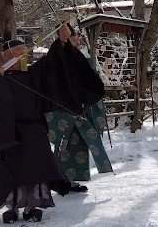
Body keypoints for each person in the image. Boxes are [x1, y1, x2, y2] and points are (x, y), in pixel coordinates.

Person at [0, 24, 105, 224]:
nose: (22, 55)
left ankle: (32, 207)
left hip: (35, 131)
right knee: (13, 171)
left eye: (24, 52)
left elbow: (53, 62)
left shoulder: (34, 74)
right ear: (7, 56)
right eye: (17, 52)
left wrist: (62, 41)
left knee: (38, 171)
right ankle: (12, 208)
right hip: (13, 135)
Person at [46, 25, 113, 192]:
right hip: (63, 111)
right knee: (63, 146)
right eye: (72, 41)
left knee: (79, 145)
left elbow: (93, 85)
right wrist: (62, 42)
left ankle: (72, 180)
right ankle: (59, 180)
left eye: (77, 42)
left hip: (83, 109)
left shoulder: (84, 61)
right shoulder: (56, 60)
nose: (76, 45)